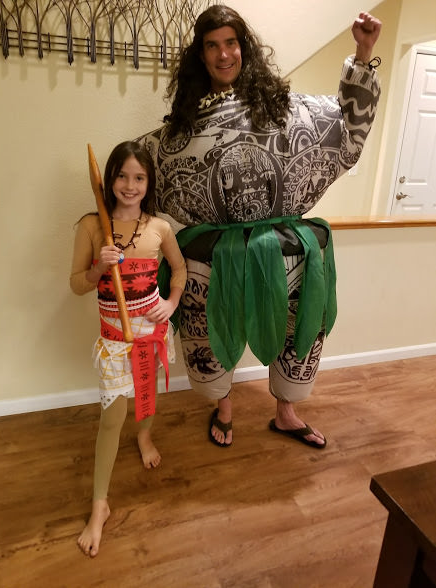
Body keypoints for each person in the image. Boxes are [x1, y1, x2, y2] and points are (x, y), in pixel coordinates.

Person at [138, 6, 382, 449]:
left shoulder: (285, 108)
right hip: (215, 255)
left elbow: (346, 126)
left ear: (244, 48)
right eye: (212, 46)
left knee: (296, 331)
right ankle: (224, 408)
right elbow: (143, 167)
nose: (223, 54)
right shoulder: (184, 126)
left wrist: (363, 54)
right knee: (214, 331)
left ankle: (286, 413)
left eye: (230, 43)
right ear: (201, 56)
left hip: (286, 248)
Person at [70, 141, 186, 557]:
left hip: (151, 330)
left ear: (149, 182)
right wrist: (99, 267)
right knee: (112, 417)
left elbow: (180, 268)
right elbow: (77, 284)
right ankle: (100, 504)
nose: (130, 185)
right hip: (115, 338)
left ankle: (146, 435)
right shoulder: (91, 226)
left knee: (147, 391)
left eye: (139, 177)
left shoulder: (160, 228)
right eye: (122, 175)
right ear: (109, 179)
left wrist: (171, 303)